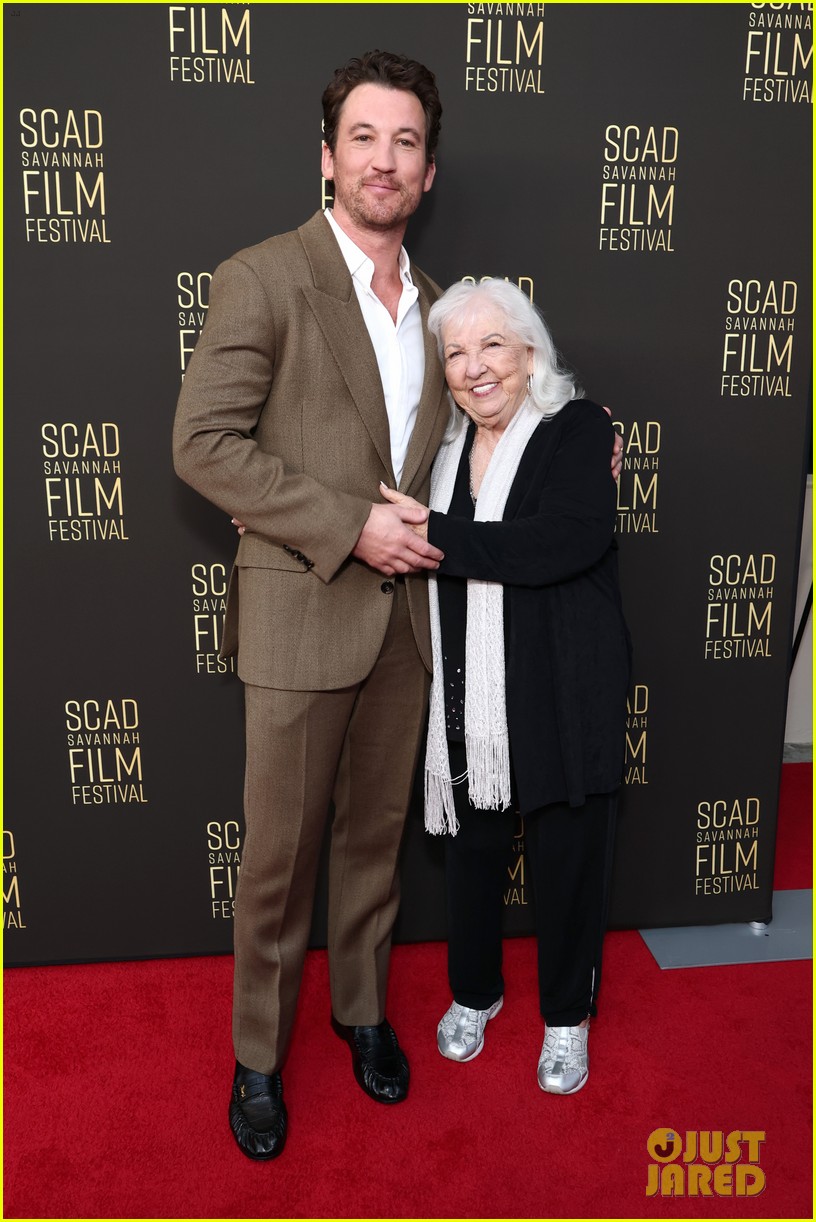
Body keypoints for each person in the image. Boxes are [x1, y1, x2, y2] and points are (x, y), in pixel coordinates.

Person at [176, 50, 622, 1161]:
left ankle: (362, 1011)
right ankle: (259, 1056)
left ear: (428, 172)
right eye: (364, 138)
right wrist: (338, 522)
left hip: (412, 630)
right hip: (301, 614)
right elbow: (204, 445)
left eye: (407, 142)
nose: (385, 160)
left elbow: (487, 421)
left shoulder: (439, 310)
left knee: (374, 843)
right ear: (328, 158)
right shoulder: (263, 277)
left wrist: (580, 432)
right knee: (279, 859)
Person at [380, 276, 631, 1095]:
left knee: (567, 859)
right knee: (473, 853)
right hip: (470, 688)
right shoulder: (439, 453)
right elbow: (355, 485)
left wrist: (436, 535)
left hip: (564, 682)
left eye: (492, 344)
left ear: (530, 352)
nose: (475, 366)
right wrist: (271, 509)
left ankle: (566, 1017)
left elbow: (562, 541)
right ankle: (474, 993)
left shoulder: (578, 428)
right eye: (456, 352)